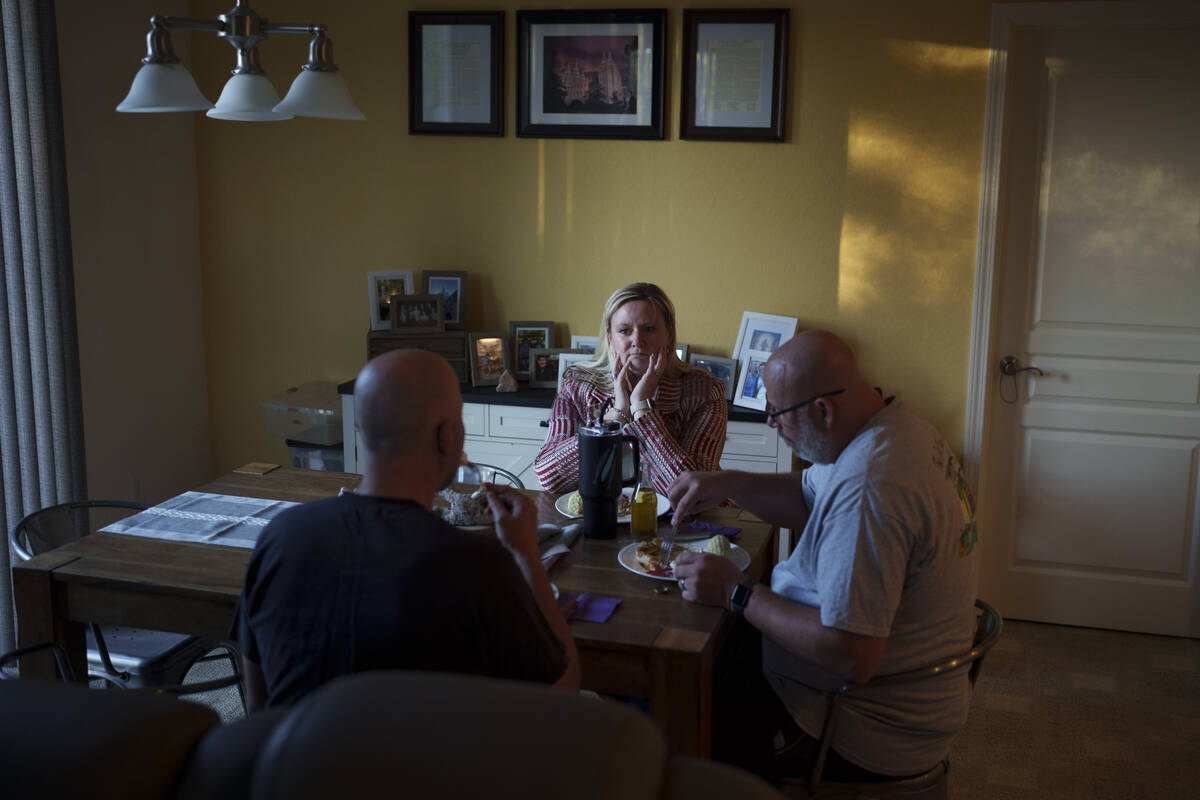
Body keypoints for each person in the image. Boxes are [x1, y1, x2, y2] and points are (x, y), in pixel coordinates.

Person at [668, 330, 979, 781]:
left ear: (823, 410)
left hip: (855, 725)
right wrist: (728, 482)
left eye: (776, 413)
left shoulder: (871, 486)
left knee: (684, 696)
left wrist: (736, 592)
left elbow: (853, 655)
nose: (771, 423)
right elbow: (807, 494)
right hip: (898, 693)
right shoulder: (887, 427)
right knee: (715, 649)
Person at [231, 350, 580, 711]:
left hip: (291, 764)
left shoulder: (279, 537)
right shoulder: (478, 566)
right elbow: (562, 691)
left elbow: (258, 707)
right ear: (448, 437)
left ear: (359, 428)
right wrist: (524, 552)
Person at [533, 282, 727, 495]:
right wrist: (615, 417)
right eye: (625, 331)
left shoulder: (705, 391)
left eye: (649, 329)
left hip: (680, 525)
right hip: (598, 518)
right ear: (610, 337)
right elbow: (548, 477)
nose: (637, 341)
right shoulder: (578, 386)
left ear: (669, 333)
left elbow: (694, 493)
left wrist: (642, 408)